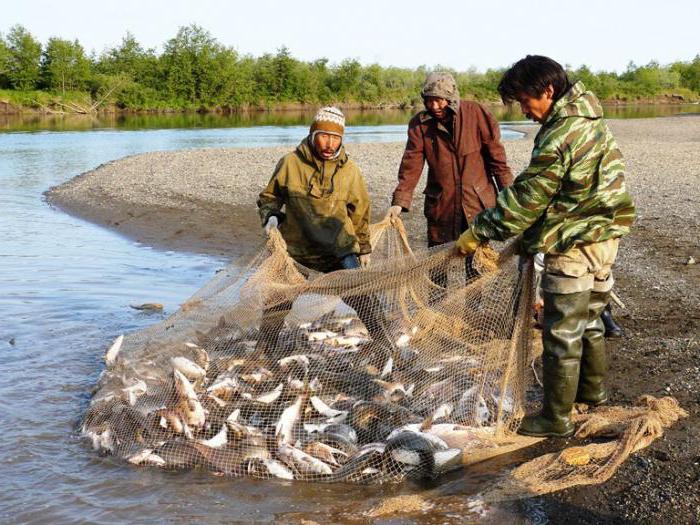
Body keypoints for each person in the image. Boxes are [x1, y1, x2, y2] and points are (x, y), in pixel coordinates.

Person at [455, 56, 636, 438]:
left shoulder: (561, 132)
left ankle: (555, 419)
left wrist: (479, 231)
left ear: (548, 91)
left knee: (561, 331)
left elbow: (526, 198)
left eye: (525, 100)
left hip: (573, 242)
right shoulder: (592, 119)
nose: (524, 109)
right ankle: (592, 392)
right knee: (589, 319)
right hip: (606, 238)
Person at [257, 106, 390, 351]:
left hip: (338, 248)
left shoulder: (350, 170)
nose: (329, 143)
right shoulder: (290, 163)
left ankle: (386, 344)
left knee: (362, 296)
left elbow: (360, 212)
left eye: (335, 137)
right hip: (297, 248)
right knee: (277, 300)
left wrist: (364, 248)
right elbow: (268, 198)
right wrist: (271, 217)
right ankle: (265, 347)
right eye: (324, 135)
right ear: (312, 134)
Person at [386, 72, 513, 250]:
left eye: (440, 100)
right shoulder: (419, 124)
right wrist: (399, 201)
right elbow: (411, 164)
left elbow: (498, 161)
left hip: (477, 204)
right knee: (438, 264)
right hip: (441, 207)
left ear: (451, 98)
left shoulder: (476, 112)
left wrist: (510, 197)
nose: (435, 106)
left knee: (477, 263)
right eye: (429, 100)